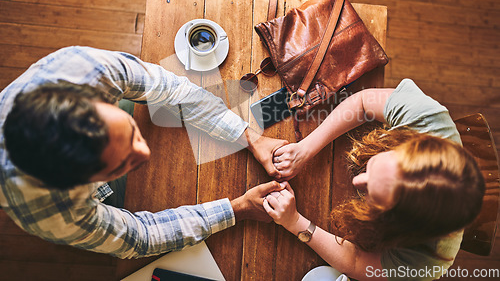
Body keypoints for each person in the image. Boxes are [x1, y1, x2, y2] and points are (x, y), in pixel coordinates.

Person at [0, 46, 288, 258]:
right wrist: (237, 209)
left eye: (129, 132)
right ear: (80, 184)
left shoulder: (85, 68)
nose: (144, 152)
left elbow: (173, 90)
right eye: (121, 163)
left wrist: (250, 138)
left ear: (94, 99)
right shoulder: (53, 213)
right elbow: (140, 237)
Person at [263, 79, 485, 281]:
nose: (357, 181)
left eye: (373, 195)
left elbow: (357, 262)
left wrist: (295, 223)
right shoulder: (427, 119)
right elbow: (362, 103)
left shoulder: (425, 264)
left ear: (398, 225)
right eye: (374, 166)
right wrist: (305, 149)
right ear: (407, 143)